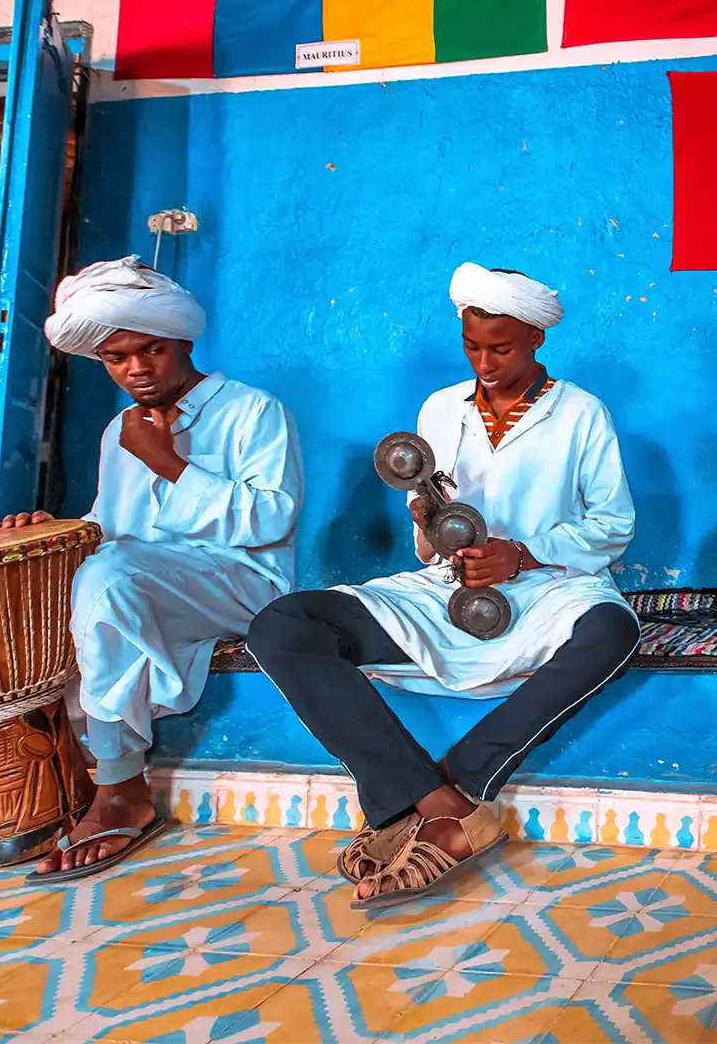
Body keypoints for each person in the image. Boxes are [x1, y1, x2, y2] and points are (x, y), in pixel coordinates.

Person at [0, 258, 304, 880]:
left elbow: (270, 520)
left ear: (182, 338)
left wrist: (171, 465)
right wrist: (53, 532)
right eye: (116, 359)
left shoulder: (253, 411)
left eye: (151, 350)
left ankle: (122, 786)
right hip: (134, 575)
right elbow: (110, 528)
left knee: (109, 578)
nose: (136, 369)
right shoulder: (117, 430)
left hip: (239, 582)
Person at [247, 264, 639, 911]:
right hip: (445, 592)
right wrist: (431, 532)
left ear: (537, 338)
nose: (485, 361)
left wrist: (524, 555)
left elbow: (613, 527)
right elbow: (426, 550)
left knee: (614, 631)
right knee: (281, 626)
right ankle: (440, 808)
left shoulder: (582, 414)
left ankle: (450, 781)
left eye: (502, 347)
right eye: (472, 345)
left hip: (550, 591)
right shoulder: (438, 410)